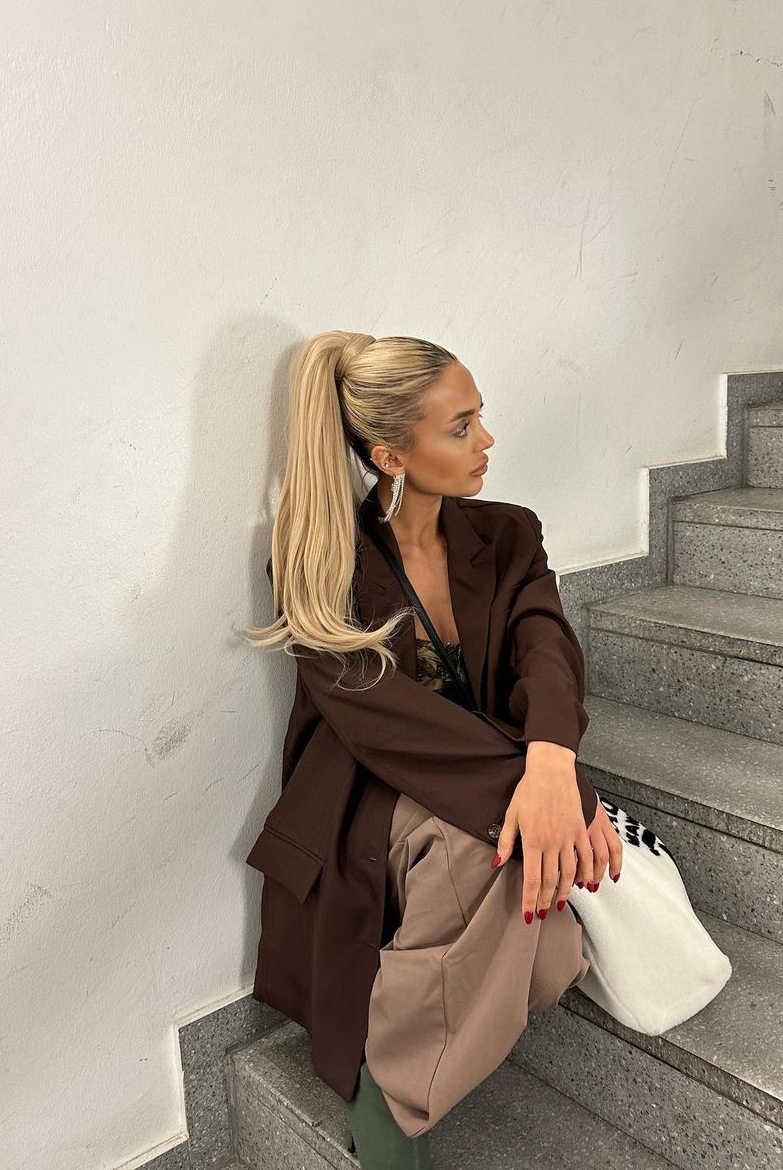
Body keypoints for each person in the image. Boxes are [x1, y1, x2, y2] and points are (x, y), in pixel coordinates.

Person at [240, 332, 623, 1167]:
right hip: (365, 789)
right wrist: (547, 793)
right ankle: (389, 1105)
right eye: (460, 427)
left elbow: (548, 651)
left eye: (479, 416)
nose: (487, 440)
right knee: (486, 854)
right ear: (391, 456)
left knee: (527, 899)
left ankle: (422, 1051)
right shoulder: (319, 560)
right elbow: (381, 720)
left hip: (492, 767)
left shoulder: (510, 532)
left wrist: (554, 766)